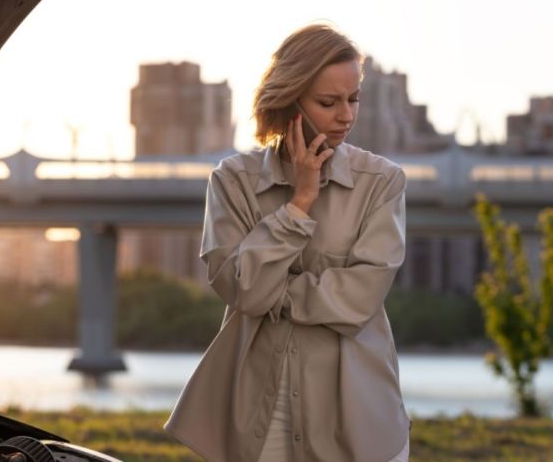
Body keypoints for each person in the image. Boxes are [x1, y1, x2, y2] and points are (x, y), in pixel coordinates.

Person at [164, 23, 411, 462]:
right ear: (289, 101)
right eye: (328, 102)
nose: (346, 116)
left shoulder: (382, 183)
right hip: (258, 415)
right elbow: (238, 287)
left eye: (353, 99)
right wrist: (299, 203)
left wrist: (272, 293)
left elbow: (359, 298)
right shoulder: (232, 182)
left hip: (356, 419)